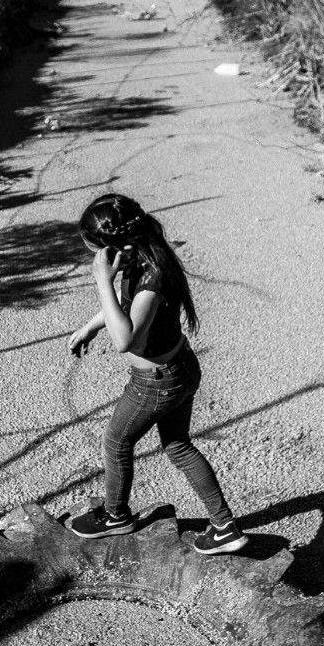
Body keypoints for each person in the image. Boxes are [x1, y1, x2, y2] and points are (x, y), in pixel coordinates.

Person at [65, 193, 247, 554]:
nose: (94, 260)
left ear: (115, 247)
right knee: (178, 446)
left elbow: (125, 338)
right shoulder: (148, 256)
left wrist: (102, 281)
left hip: (156, 382)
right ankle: (225, 527)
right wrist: (91, 325)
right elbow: (127, 311)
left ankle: (116, 516)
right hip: (179, 367)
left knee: (116, 443)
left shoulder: (151, 280)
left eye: (94, 252)